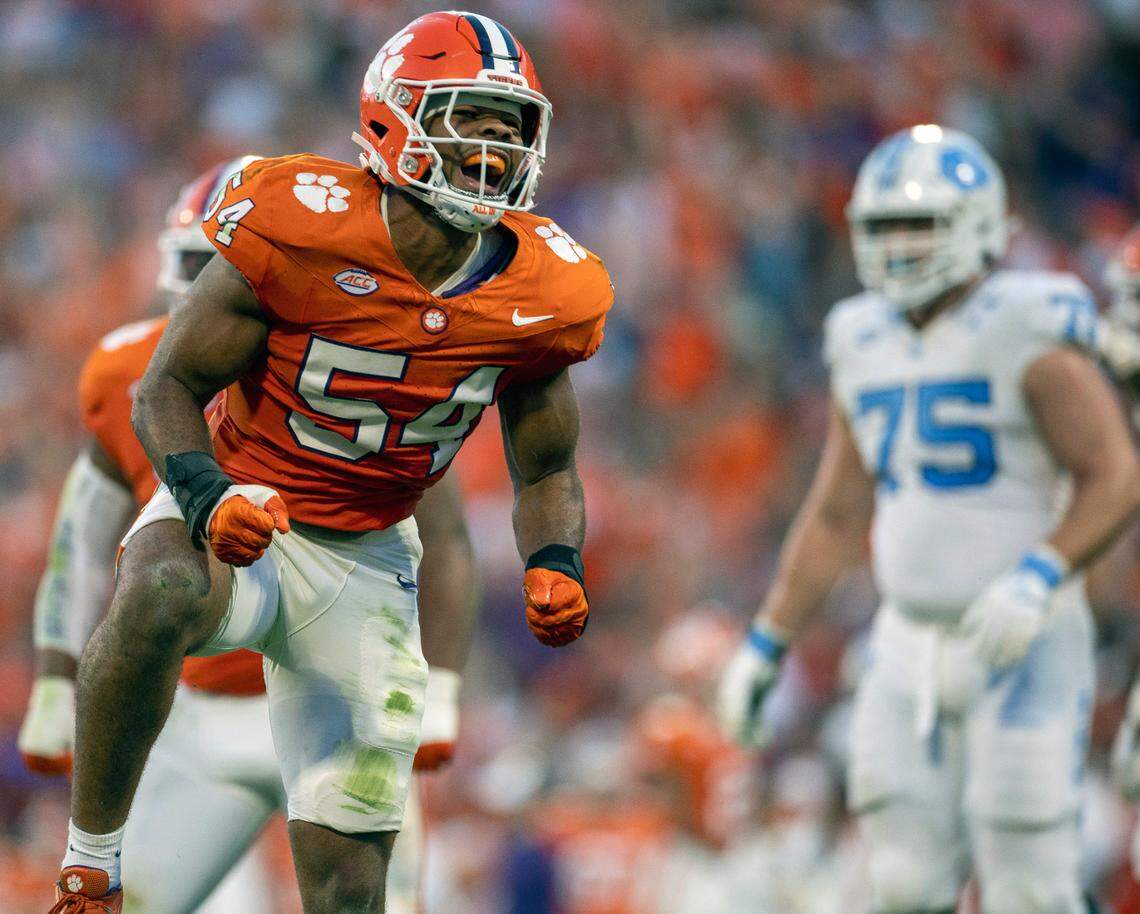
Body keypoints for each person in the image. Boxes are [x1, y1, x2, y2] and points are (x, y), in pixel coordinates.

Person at [47, 10, 611, 912]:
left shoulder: (547, 288)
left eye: (513, 125)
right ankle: (90, 863)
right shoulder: (300, 220)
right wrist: (202, 493)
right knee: (156, 586)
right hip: (246, 513)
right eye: (471, 116)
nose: (496, 146)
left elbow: (546, 466)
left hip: (366, 562)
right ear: (395, 117)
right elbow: (166, 386)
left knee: (352, 889)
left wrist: (555, 561)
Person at [19, 158, 477, 914]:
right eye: (209, 269)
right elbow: (83, 528)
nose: (227, 293)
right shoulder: (130, 376)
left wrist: (447, 688)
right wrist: (54, 670)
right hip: (200, 717)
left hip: (337, 689)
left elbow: (448, 534)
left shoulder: (363, 361)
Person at [716, 124, 1139, 914]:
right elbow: (839, 512)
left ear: (979, 228)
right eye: (885, 226)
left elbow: (1114, 474)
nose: (902, 245)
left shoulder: (1027, 324)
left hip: (1026, 635)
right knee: (904, 884)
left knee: (1029, 889)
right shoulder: (860, 337)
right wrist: (767, 639)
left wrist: (1039, 577)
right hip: (906, 638)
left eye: (922, 224)